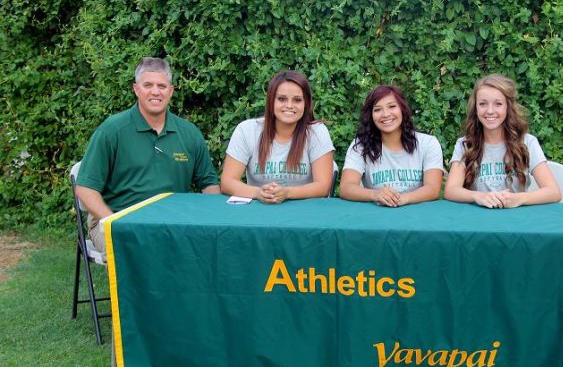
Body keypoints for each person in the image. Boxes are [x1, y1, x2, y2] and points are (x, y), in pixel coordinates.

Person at [75, 57, 220, 254]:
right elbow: (85, 188)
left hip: (174, 224)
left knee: (205, 250)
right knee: (137, 254)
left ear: (171, 91)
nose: (155, 92)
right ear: (136, 89)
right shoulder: (112, 130)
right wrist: (115, 223)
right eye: (148, 85)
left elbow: (209, 183)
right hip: (117, 220)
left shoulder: (189, 133)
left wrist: (211, 222)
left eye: (162, 86)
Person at [444, 74, 560, 208]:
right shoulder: (465, 144)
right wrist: (478, 196)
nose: (490, 111)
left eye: (498, 104)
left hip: (517, 219)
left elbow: (553, 192)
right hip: (478, 220)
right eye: (483, 104)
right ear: (475, 108)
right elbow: (451, 190)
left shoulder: (527, 142)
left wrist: (519, 199)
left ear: (508, 107)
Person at [221, 70, 335, 203]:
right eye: (282, 99)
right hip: (260, 210)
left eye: (297, 100)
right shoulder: (246, 130)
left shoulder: (317, 132)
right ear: (271, 101)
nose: (289, 105)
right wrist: (258, 193)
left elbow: (323, 187)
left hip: (304, 212)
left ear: (306, 104)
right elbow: (227, 182)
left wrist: (287, 193)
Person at [339, 85, 444, 207]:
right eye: (377, 109)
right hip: (377, 216)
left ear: (402, 109)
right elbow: (346, 187)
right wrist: (376, 195)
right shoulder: (361, 145)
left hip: (417, 216)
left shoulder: (428, 143)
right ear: (371, 116)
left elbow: (433, 189)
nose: (385, 114)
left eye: (392, 106)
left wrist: (403, 199)